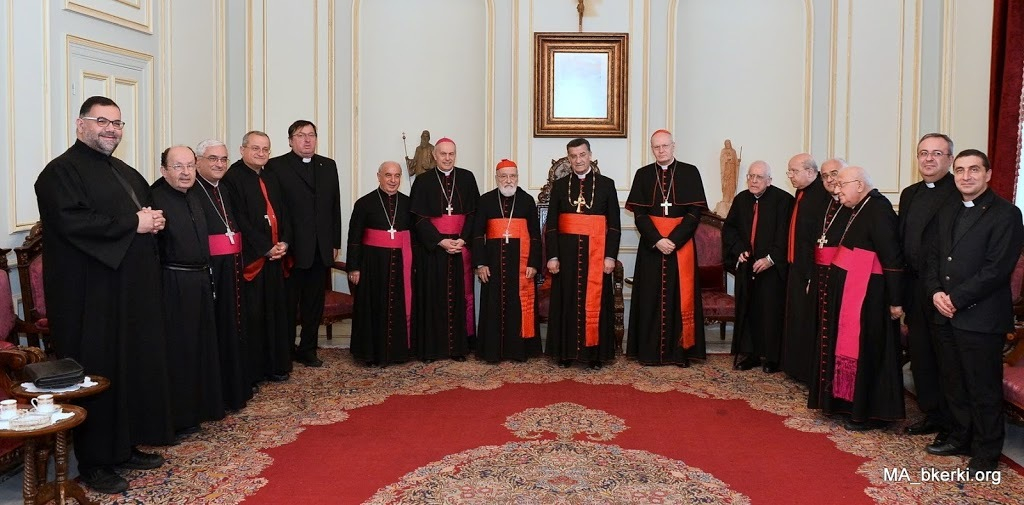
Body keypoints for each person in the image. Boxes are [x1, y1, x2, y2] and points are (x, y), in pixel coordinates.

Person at [34, 96, 171, 494]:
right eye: (102, 121)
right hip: (88, 296)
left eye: (117, 123)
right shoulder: (59, 172)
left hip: (128, 292)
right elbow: (73, 223)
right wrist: (134, 222)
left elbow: (141, 213)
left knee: (128, 367)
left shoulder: (124, 171)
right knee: (96, 371)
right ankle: (95, 462)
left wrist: (153, 221)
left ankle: (124, 446)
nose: (111, 129)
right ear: (81, 125)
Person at [923, 149, 1024, 472]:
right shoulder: (948, 209)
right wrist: (936, 292)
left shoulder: (1006, 214)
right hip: (945, 312)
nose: (966, 176)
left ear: (988, 174)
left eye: (974, 170)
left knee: (983, 388)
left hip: (981, 316)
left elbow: (997, 269)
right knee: (954, 383)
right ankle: (961, 437)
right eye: (960, 170)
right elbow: (934, 257)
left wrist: (955, 298)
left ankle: (986, 451)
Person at [813, 166, 905, 431]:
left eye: (842, 184)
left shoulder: (879, 209)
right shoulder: (860, 207)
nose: (837, 190)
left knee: (867, 351)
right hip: (857, 290)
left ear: (860, 185)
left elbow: (892, 258)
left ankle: (868, 413)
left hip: (869, 296)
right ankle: (848, 404)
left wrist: (896, 300)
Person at [151, 145, 225, 435]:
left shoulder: (194, 195)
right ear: (164, 170)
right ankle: (181, 418)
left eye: (190, 166)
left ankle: (203, 408)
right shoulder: (155, 198)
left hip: (200, 280)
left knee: (202, 347)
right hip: (173, 283)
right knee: (180, 352)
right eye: (178, 166)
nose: (185, 173)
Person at [625, 129, 707, 367]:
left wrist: (674, 240)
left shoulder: (690, 172)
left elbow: (694, 213)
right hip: (652, 246)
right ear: (652, 149)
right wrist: (657, 240)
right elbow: (640, 214)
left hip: (681, 246)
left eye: (665, 146)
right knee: (649, 298)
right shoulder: (643, 174)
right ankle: (648, 353)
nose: (661, 150)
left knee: (679, 298)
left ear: (673, 146)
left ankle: (680, 353)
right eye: (656, 147)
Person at [898, 133, 959, 440]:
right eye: (923, 153)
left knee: (945, 358)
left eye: (937, 153)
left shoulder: (958, 192)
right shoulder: (910, 193)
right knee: (921, 355)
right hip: (914, 287)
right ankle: (931, 413)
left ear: (950, 159)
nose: (929, 159)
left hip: (943, 290)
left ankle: (952, 423)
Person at [267, 120, 341, 368]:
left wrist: (335, 241)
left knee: (313, 304)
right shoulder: (276, 166)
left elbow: (335, 206)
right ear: (290, 141)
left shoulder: (328, 165)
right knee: (288, 304)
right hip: (292, 248)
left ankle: (308, 349)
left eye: (311, 135)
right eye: (301, 135)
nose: (307, 140)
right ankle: (286, 350)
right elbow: (274, 208)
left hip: (321, 248)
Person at [221, 131, 293, 384]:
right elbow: (238, 219)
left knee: (275, 313)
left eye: (265, 149)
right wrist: (265, 248)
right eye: (255, 148)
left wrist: (284, 242)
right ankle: (255, 370)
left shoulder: (271, 175)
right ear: (242, 150)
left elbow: (285, 212)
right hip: (253, 259)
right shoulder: (232, 178)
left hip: (275, 257)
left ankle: (276, 365)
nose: (261, 153)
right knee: (255, 316)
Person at [546, 138, 621, 369]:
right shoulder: (560, 186)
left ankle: (595, 355)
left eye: (582, 155)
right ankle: (565, 353)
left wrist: (610, 256)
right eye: (573, 156)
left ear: (590, 155)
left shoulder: (606, 184)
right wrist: (552, 256)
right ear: (568, 159)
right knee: (566, 302)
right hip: (566, 257)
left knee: (596, 303)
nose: (578, 160)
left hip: (596, 256)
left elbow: (614, 225)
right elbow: (551, 225)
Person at [409, 137, 480, 361]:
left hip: (460, 248)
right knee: (433, 297)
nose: (447, 158)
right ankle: (432, 348)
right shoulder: (423, 181)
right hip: (434, 250)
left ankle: (459, 348)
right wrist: (440, 241)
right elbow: (418, 219)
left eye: (451, 154)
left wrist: (463, 239)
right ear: (434, 155)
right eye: (443, 154)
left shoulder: (467, 178)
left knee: (461, 298)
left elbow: (474, 214)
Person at [194, 139, 252, 411]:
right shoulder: (193, 191)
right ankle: (218, 393)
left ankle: (235, 386)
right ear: (198, 162)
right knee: (217, 330)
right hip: (211, 271)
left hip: (232, 268)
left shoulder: (224, 188)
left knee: (234, 326)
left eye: (223, 159)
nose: (219, 164)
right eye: (213, 158)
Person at [723, 161, 793, 372]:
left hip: (772, 268)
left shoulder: (783, 201)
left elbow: (786, 235)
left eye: (759, 177)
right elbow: (730, 229)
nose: (753, 181)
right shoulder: (741, 199)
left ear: (769, 180)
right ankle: (750, 354)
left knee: (770, 312)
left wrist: (770, 259)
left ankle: (772, 358)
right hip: (748, 265)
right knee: (748, 310)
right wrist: (739, 250)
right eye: (750, 176)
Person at [471, 159, 542, 363]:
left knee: (518, 306)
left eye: (512, 176)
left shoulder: (527, 200)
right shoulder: (485, 200)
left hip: (520, 266)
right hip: (493, 265)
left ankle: (519, 351)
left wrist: (533, 263)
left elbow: (535, 235)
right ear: (497, 178)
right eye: (503, 176)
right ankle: (492, 351)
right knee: (493, 307)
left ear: (517, 177)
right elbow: (477, 234)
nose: (508, 180)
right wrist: (480, 264)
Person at [346, 161, 414, 366]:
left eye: (397, 176)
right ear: (379, 176)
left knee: (399, 306)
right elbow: (354, 238)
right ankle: (370, 353)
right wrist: (354, 267)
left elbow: (414, 237)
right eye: (388, 175)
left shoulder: (408, 203)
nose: (393, 180)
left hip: (401, 264)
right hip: (372, 265)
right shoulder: (364, 203)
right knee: (373, 307)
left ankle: (398, 352)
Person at [780, 153, 833, 383]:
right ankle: (794, 368)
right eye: (789, 172)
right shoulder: (801, 192)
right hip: (796, 266)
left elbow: (818, 237)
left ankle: (807, 372)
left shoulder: (822, 195)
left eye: (794, 171)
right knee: (796, 319)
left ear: (811, 172)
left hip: (810, 270)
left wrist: (812, 274)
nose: (790, 176)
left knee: (807, 322)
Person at [806, 158, 853, 409]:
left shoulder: (854, 205)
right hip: (821, 275)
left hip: (843, 279)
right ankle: (823, 391)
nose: (830, 180)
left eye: (834, 173)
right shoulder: (824, 203)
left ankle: (838, 395)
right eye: (825, 176)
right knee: (823, 333)